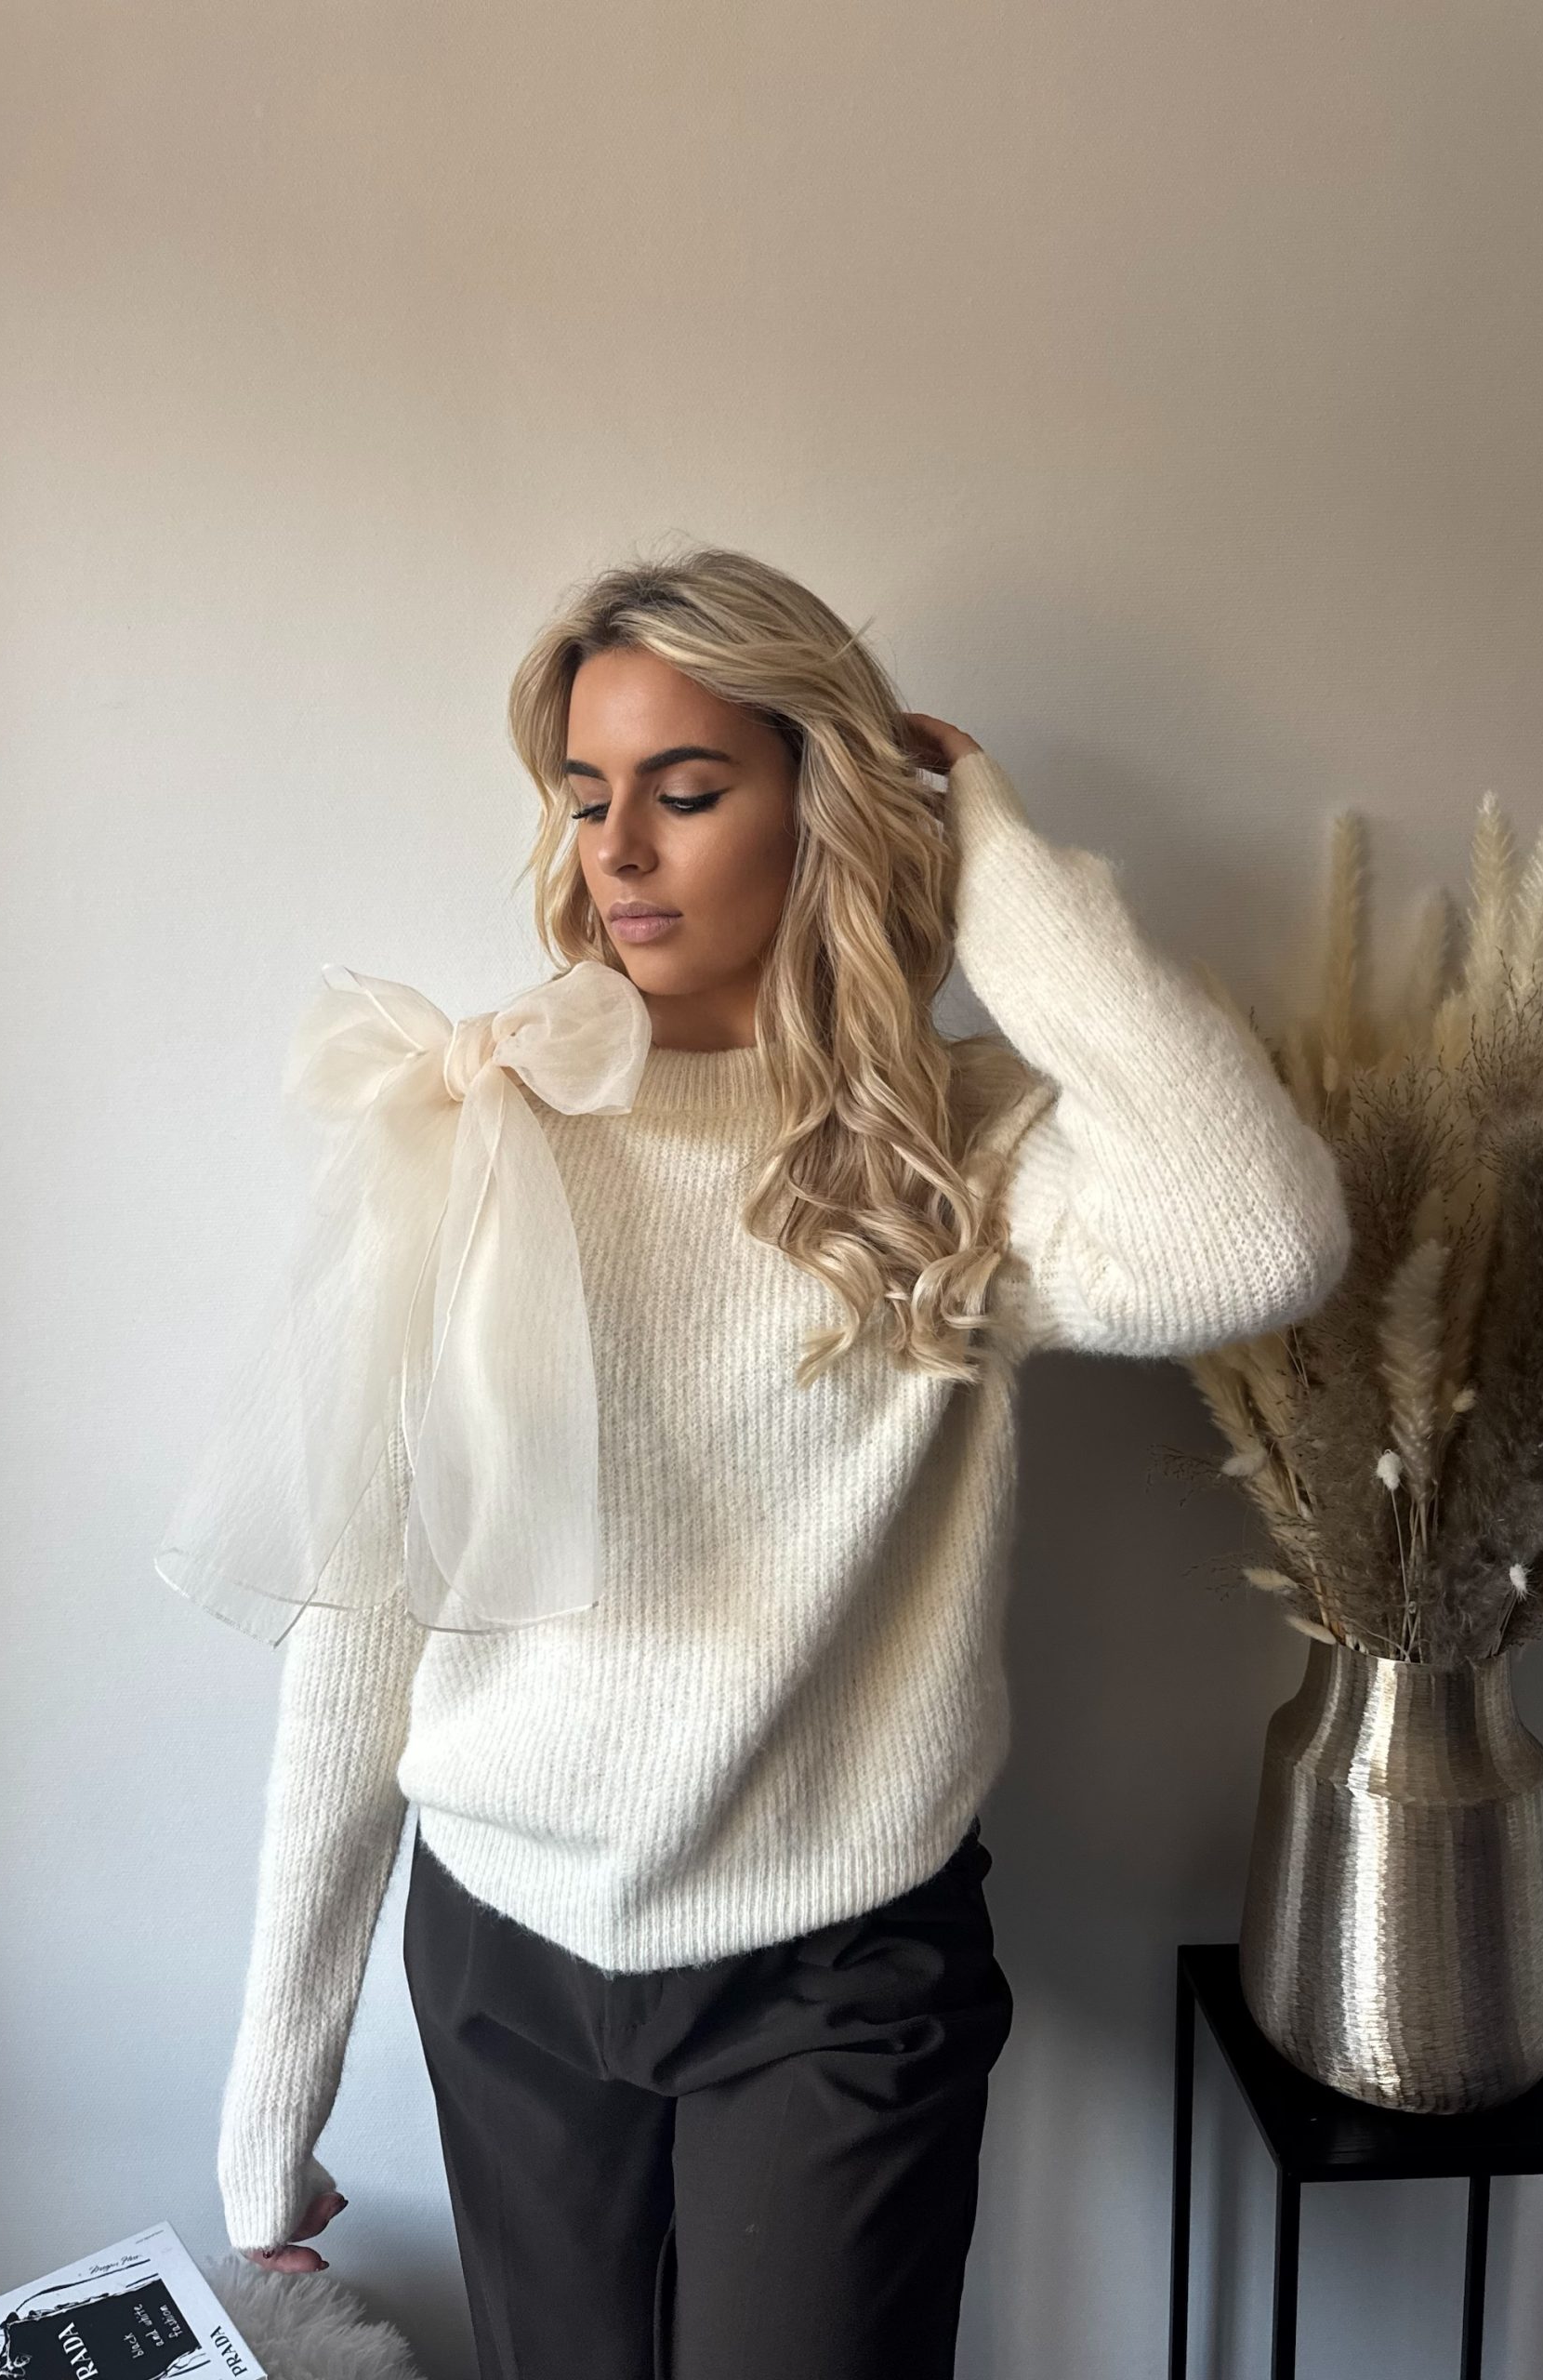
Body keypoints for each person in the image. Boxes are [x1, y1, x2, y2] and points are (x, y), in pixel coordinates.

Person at [198, 544, 1351, 2378]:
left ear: (822, 803)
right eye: (586, 793)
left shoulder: (954, 1150)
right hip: (503, 1945)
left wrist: (988, 853)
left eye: (686, 789)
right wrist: (278, 2083)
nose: (618, 851)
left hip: (838, 1969)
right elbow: (365, 1615)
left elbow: (1263, 1235)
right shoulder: (490, 1119)